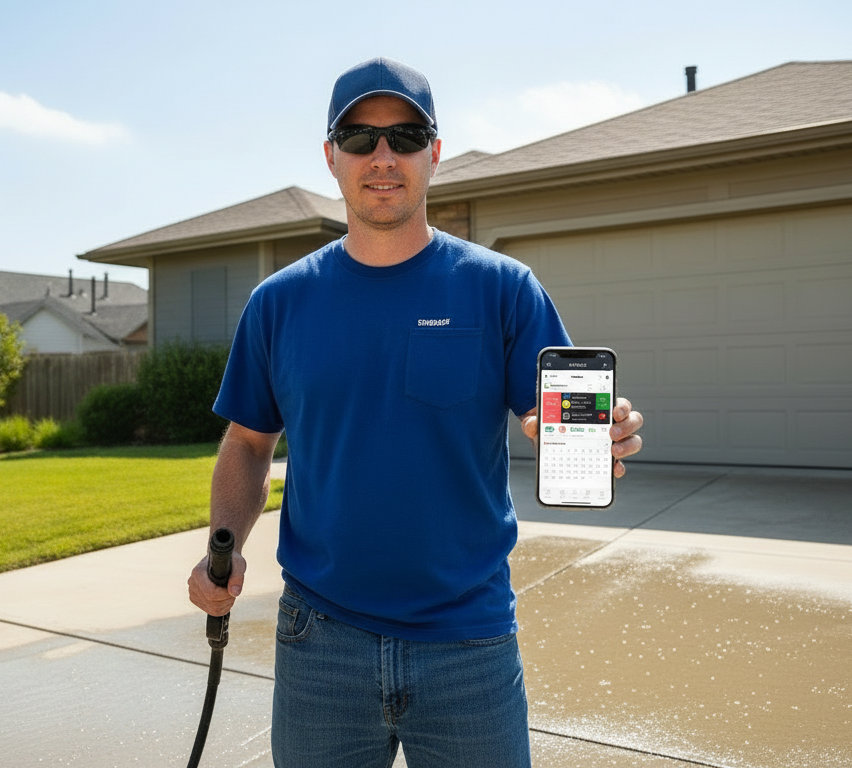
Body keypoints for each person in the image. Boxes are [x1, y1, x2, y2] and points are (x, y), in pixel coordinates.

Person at [188, 57, 644, 767]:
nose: (382, 157)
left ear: (434, 153)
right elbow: (249, 441)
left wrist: (581, 435)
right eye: (360, 137)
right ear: (330, 156)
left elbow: (539, 415)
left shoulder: (503, 288)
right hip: (320, 640)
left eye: (405, 137)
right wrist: (225, 543)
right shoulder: (277, 303)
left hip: (469, 642)